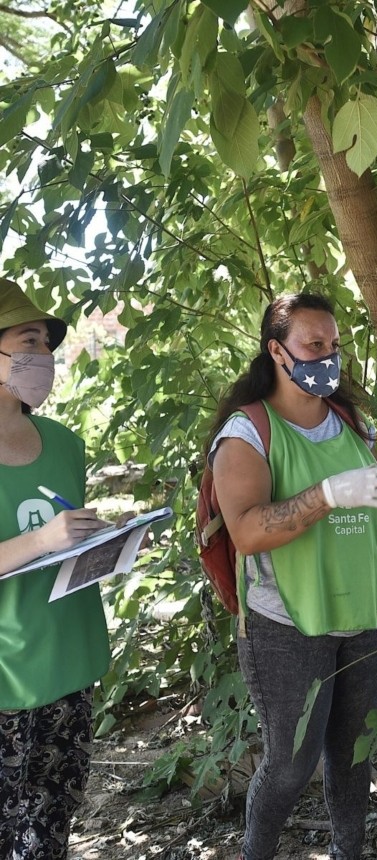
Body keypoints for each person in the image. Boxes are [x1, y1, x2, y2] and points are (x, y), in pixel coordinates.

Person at [206, 292, 377, 860]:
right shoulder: (247, 434)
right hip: (287, 623)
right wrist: (324, 494)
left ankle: (350, 851)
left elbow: (374, 509)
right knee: (290, 765)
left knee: (353, 757)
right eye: (313, 345)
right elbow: (245, 532)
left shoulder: (352, 423)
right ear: (276, 350)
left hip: (362, 613)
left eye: (334, 345)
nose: (327, 356)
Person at [0, 279, 114, 859]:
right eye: (28, 341)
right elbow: (45, 539)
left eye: (46, 344)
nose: (43, 357)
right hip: (6, 678)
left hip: (69, 666)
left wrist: (105, 546)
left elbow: (65, 542)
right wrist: (41, 539)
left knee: (48, 830)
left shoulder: (65, 443)